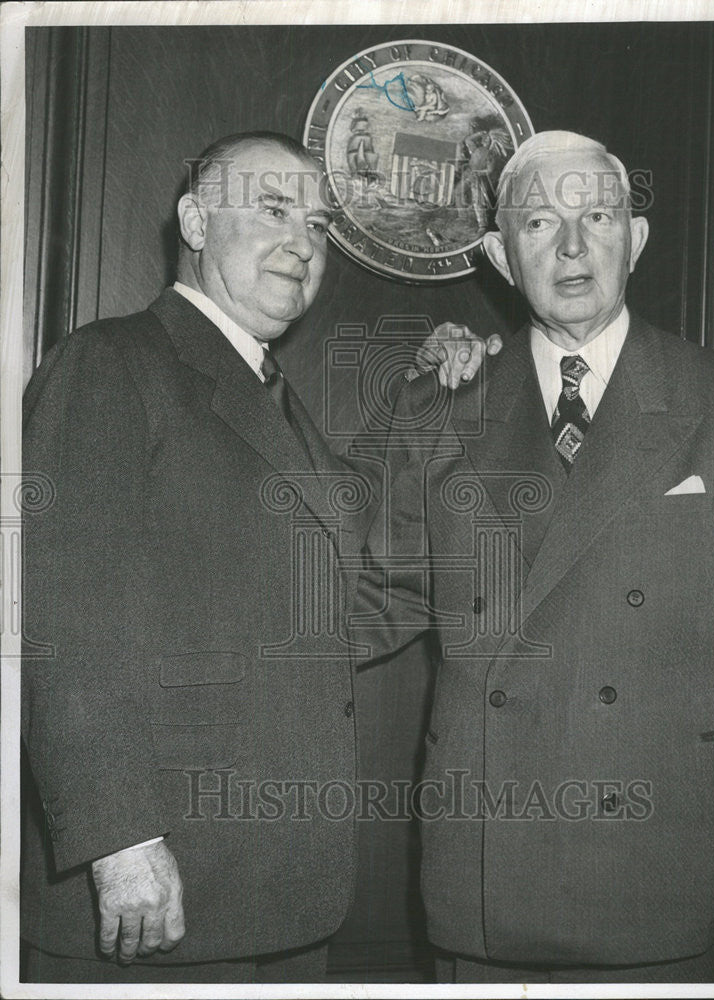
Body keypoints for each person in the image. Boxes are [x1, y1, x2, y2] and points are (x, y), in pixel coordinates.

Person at [20, 130, 479, 984]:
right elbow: (64, 622)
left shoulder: (266, 394)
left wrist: (423, 396)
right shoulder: (110, 363)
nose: (302, 244)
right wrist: (120, 839)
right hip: (155, 890)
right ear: (196, 222)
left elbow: (345, 574)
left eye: (316, 225)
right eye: (271, 211)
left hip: (278, 895)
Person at [355, 130, 714, 983]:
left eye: (598, 215)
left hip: (661, 855)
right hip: (489, 859)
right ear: (500, 258)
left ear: (638, 238)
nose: (574, 246)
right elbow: (381, 588)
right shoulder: (446, 399)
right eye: (540, 223)